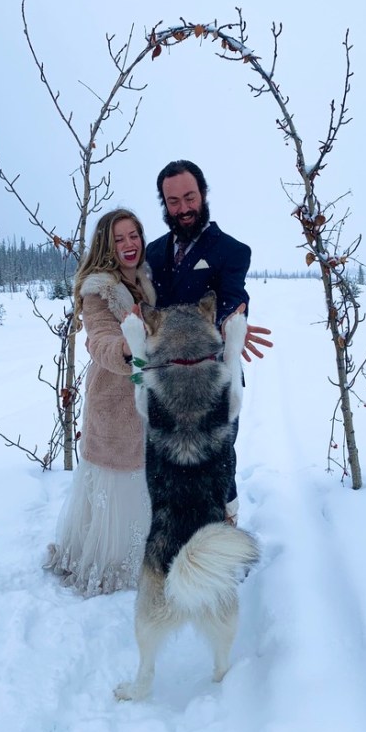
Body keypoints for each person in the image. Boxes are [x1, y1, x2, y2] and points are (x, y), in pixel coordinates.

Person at [145, 160, 272, 523]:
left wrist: (232, 323)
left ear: (203, 194)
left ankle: (225, 521)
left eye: (189, 197)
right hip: (164, 379)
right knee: (166, 459)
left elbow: (233, 298)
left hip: (212, 376)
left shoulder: (231, 251)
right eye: (173, 201)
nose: (183, 208)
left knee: (218, 455)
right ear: (164, 204)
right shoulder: (153, 253)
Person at [45, 208, 156, 596]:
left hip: (148, 406)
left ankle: (145, 553)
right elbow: (101, 342)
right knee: (118, 483)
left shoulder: (147, 280)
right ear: (106, 246)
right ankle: (110, 566)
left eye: (134, 236)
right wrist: (128, 345)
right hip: (115, 406)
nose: (129, 245)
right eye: (119, 239)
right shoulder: (99, 289)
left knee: (144, 481)